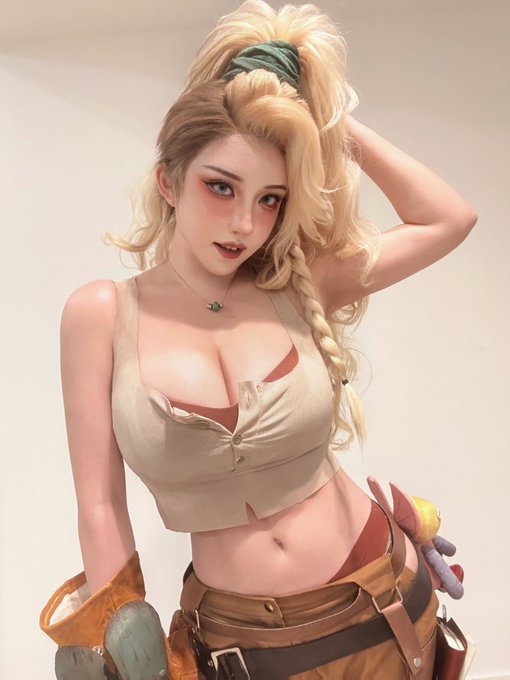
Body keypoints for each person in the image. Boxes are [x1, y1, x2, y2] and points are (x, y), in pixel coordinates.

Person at [39, 1, 477, 678]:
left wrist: (321, 120)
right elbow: (100, 503)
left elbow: (448, 219)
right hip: (246, 647)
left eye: (270, 198)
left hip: (386, 599)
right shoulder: (101, 315)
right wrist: (124, 643)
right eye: (222, 187)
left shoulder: (297, 284)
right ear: (168, 181)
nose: (245, 222)